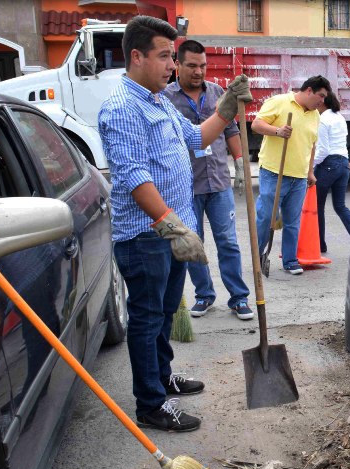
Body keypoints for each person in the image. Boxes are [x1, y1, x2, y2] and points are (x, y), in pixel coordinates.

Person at [98, 16, 251, 432]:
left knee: (165, 313)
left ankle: (162, 378)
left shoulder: (158, 100)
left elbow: (196, 138)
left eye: (172, 55)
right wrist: (172, 225)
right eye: (165, 56)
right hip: (148, 236)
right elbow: (133, 177)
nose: (171, 64)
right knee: (146, 319)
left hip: (170, 231)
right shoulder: (123, 107)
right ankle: (150, 404)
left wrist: (225, 108)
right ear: (137, 56)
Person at [164, 40, 253, 321]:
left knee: (228, 241)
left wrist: (240, 162)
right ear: (177, 65)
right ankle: (204, 295)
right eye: (191, 65)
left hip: (218, 181)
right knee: (194, 243)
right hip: (186, 185)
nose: (198, 71)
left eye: (202, 65)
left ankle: (239, 298)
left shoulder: (217, 93)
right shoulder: (166, 97)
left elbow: (231, 129)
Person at [252, 75, 331, 275]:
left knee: (292, 221)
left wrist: (310, 171)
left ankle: (290, 260)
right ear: (309, 91)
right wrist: (278, 131)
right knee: (265, 217)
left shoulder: (315, 115)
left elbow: (312, 144)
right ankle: (257, 255)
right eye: (320, 96)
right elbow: (256, 124)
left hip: (299, 176)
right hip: (273, 171)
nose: (322, 101)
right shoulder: (280, 102)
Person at [313, 91, 350, 253]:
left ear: (323, 103)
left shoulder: (323, 120)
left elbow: (323, 150)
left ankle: (320, 244)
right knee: (340, 206)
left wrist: (311, 166)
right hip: (344, 164)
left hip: (328, 164)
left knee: (318, 206)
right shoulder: (339, 117)